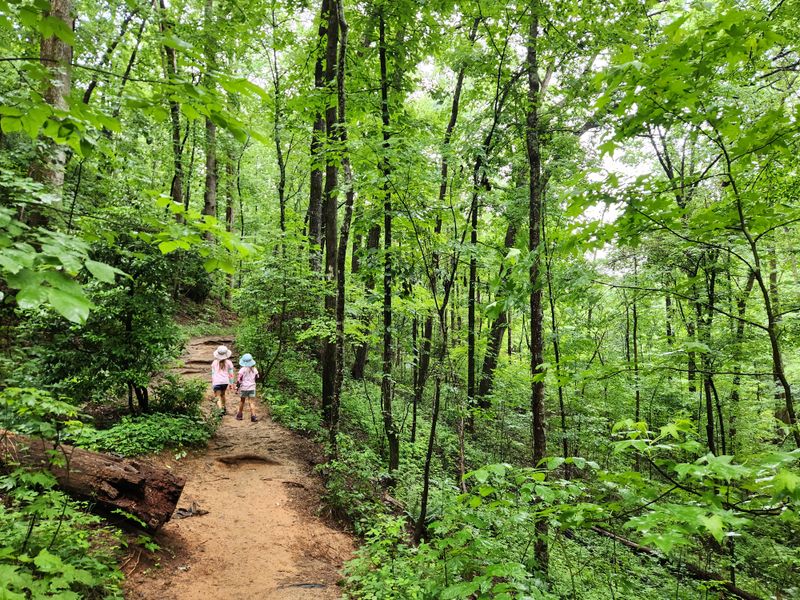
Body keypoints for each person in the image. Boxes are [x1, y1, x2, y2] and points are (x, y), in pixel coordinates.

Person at [235, 353, 259, 422]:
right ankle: (253, 416)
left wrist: (237, 387)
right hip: (252, 387)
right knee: (251, 402)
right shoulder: (254, 369)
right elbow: (257, 377)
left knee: (242, 401)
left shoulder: (242, 370)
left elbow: (239, 380)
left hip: (244, 388)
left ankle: (239, 415)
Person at [211, 345, 234, 414]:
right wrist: (231, 383)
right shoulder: (229, 362)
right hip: (225, 382)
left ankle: (220, 410)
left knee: (217, 396)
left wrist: (213, 383)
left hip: (217, 381)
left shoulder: (214, 362)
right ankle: (224, 408)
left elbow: (213, 374)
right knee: (223, 395)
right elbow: (231, 374)